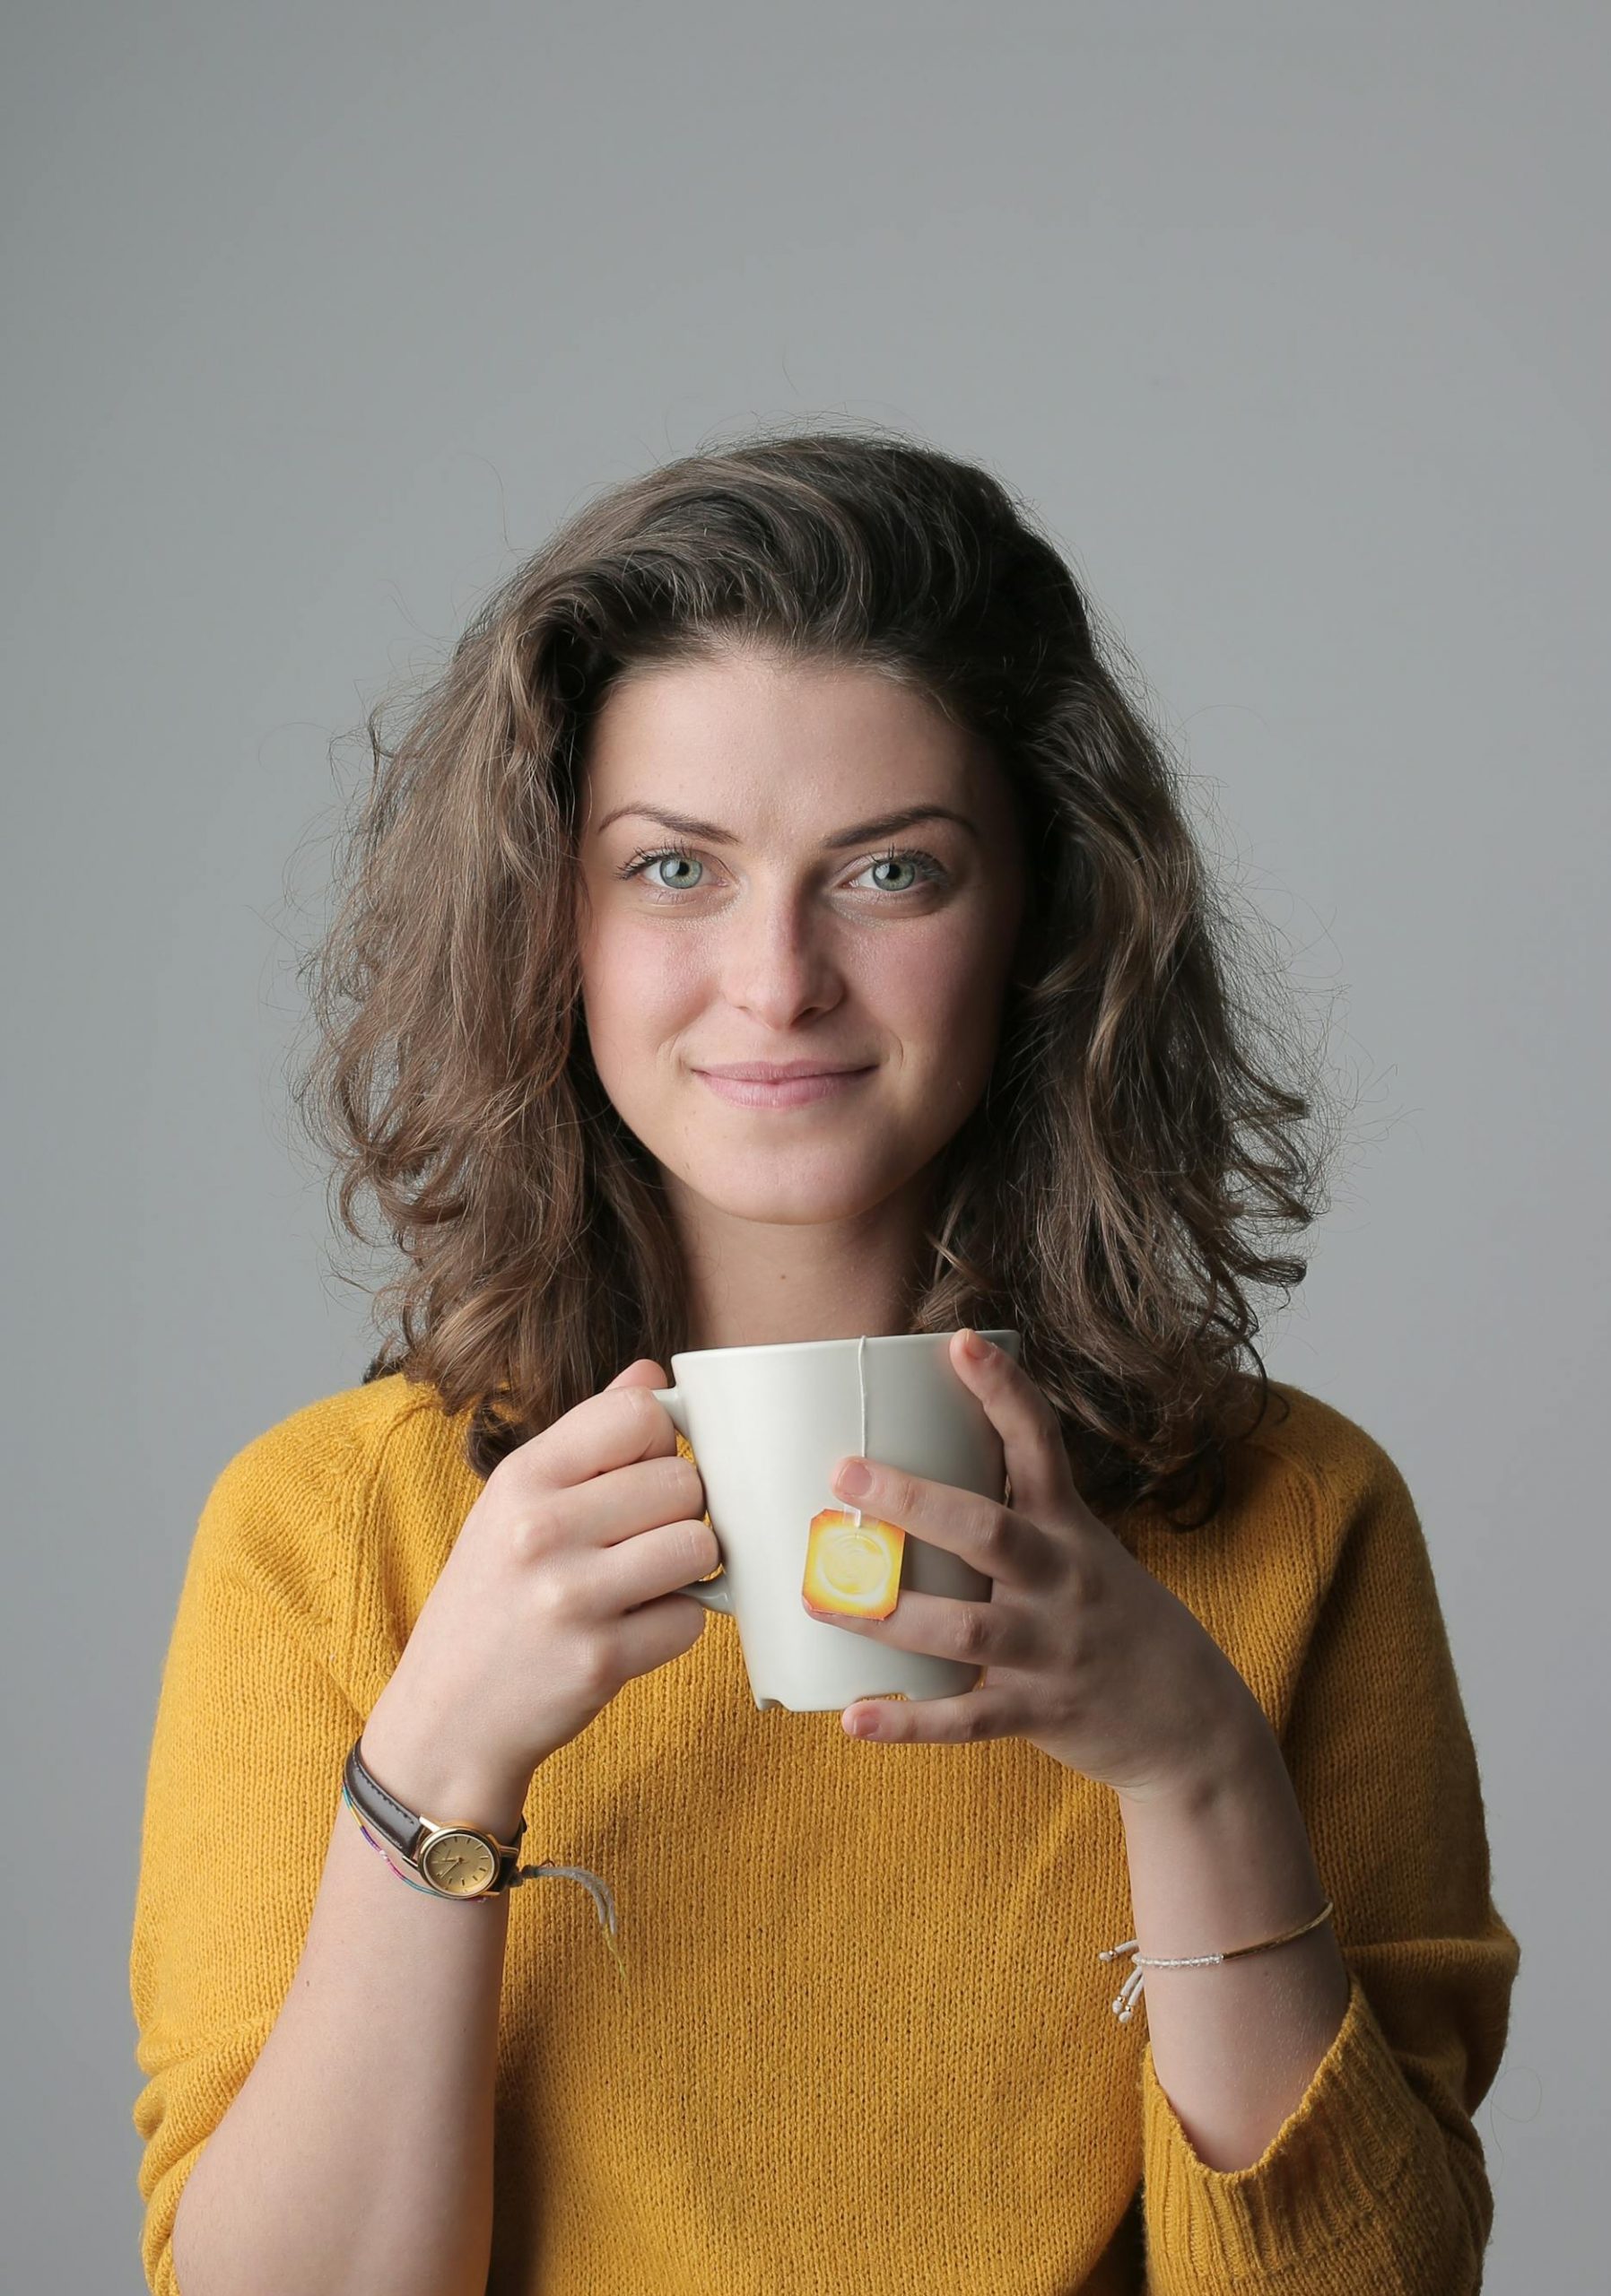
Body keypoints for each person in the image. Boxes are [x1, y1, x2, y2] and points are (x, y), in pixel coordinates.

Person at [128, 424, 1520, 2296]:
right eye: (675, 866)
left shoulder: (1288, 1521)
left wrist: (1193, 1765)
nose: (774, 977)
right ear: (551, 916)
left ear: (1040, 915)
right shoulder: (325, 1534)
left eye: (885, 872)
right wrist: (438, 1754)